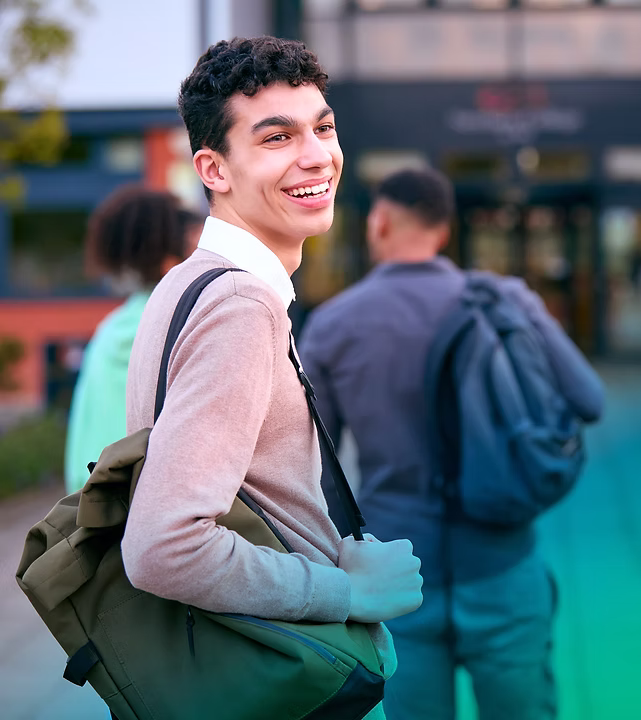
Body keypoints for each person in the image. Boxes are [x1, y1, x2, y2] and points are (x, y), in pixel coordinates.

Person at [121, 37, 423, 719]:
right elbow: (163, 546)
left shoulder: (189, 284)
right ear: (214, 170)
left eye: (323, 127)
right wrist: (348, 594)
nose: (316, 155)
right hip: (287, 684)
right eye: (277, 137)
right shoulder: (239, 306)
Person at [299, 168, 605, 720]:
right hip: (504, 562)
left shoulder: (335, 323)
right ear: (443, 231)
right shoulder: (505, 300)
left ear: (380, 223)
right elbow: (589, 399)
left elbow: (314, 467)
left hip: (398, 578)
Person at [64, 185, 203, 494]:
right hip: (138, 512)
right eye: (198, 241)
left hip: (91, 508)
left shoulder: (114, 327)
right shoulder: (177, 324)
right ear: (170, 261)